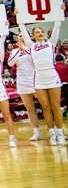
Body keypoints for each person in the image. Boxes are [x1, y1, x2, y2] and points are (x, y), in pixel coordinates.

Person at [17, 15, 64, 145]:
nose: (40, 33)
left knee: (56, 106)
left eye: (41, 32)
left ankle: (60, 133)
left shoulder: (51, 43)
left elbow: (57, 26)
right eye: (37, 32)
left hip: (52, 77)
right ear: (33, 36)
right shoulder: (31, 46)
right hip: (38, 79)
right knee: (46, 107)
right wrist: (19, 18)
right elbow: (24, 31)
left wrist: (59, 13)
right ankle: (52, 133)